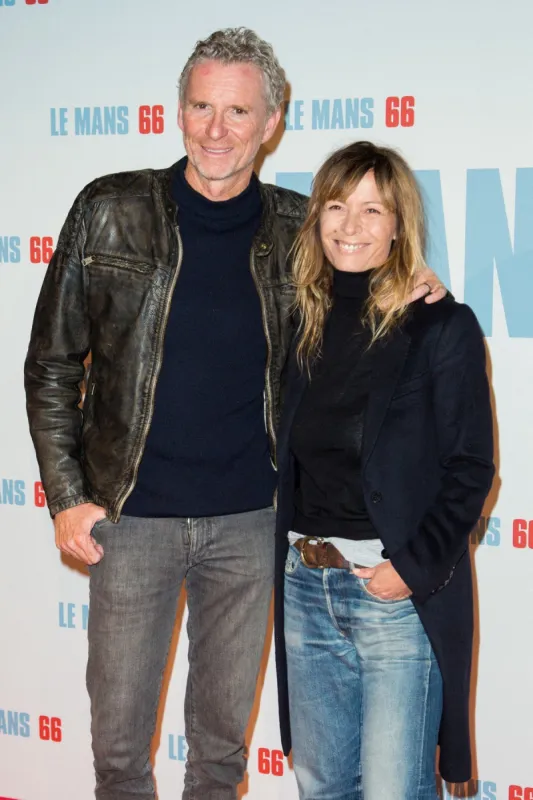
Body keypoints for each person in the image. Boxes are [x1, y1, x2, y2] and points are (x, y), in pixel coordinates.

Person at [24, 28, 446, 800]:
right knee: (118, 750)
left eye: (238, 111)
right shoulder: (108, 208)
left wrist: (411, 278)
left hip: (252, 523)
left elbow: (364, 271)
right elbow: (51, 364)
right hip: (128, 520)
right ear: (178, 111)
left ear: (272, 120)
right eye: (201, 106)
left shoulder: (300, 227)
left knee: (220, 754)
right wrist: (65, 492)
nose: (216, 129)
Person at [274, 141, 495, 800]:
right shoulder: (296, 322)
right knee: (321, 788)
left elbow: (470, 467)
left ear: (399, 224)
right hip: (303, 588)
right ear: (315, 217)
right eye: (336, 206)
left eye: (372, 210)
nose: (350, 226)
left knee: (394, 791)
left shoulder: (440, 326)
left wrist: (411, 570)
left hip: (391, 595)